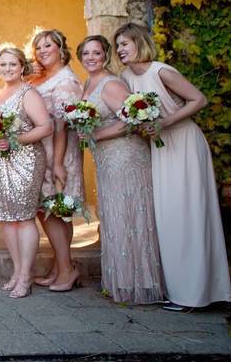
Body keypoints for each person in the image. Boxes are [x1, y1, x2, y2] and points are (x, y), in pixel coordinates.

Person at [116, 23, 231, 310]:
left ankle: (199, 294)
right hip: (159, 148)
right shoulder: (126, 76)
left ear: (140, 43)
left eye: (125, 44)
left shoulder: (161, 71)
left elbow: (199, 99)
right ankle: (179, 289)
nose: (120, 50)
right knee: (168, 217)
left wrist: (163, 122)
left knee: (189, 214)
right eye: (117, 45)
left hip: (184, 144)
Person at [77, 35, 164, 304]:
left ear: (106, 55)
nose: (91, 57)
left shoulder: (111, 84)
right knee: (113, 216)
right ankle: (120, 283)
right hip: (108, 160)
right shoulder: (88, 83)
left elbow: (133, 119)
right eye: (86, 53)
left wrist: (95, 136)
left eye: (97, 52)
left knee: (128, 215)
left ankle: (140, 284)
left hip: (125, 157)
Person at [0, 46, 51, 299]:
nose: (7, 69)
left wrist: (17, 140)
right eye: (3, 65)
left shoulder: (28, 93)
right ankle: (16, 271)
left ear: (22, 66)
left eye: (12, 64)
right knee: (8, 218)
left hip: (26, 160)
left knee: (24, 218)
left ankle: (26, 275)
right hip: (1, 160)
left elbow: (46, 127)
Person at [28, 29, 84, 291]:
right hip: (42, 151)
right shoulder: (42, 77)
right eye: (38, 47)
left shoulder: (65, 80)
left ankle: (66, 271)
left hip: (57, 152)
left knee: (54, 211)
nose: (42, 51)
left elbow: (63, 125)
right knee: (48, 211)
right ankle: (60, 266)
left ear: (61, 49)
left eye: (47, 46)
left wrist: (58, 162)